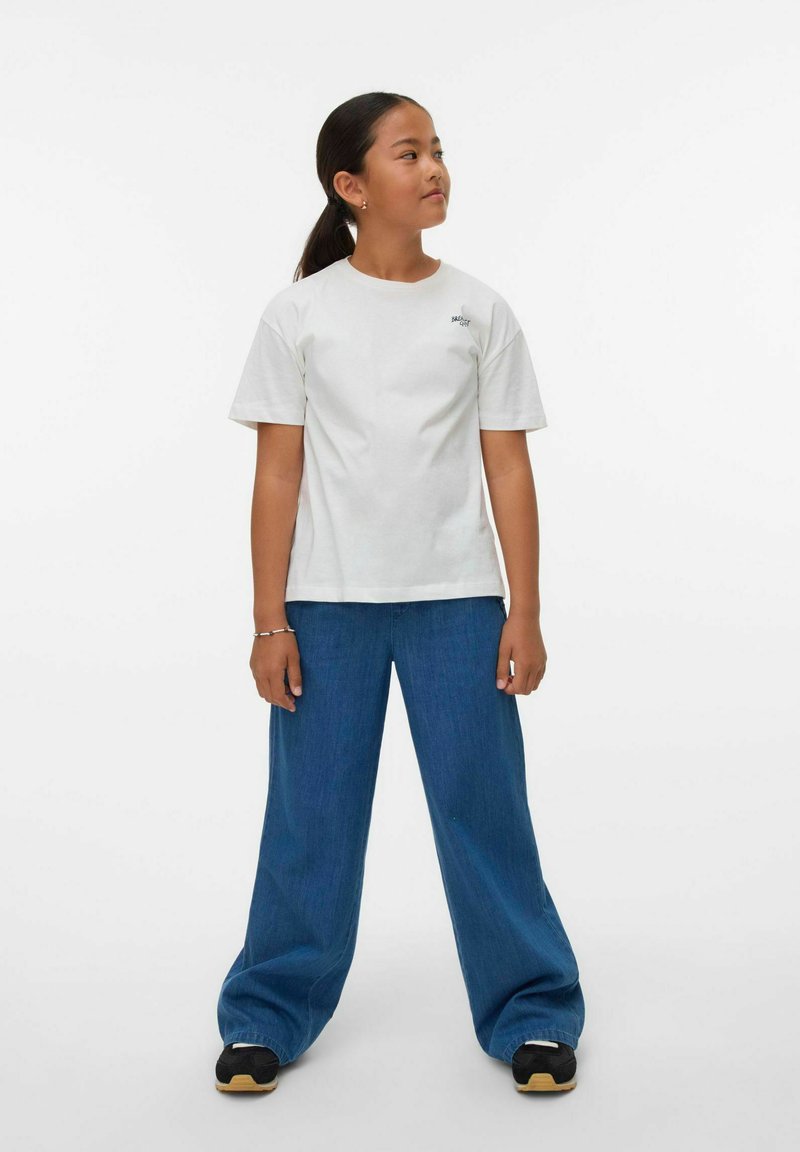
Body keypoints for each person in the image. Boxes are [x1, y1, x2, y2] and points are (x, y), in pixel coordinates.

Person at [214, 91, 585, 1095]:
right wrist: (268, 621)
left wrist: (523, 610)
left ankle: (533, 1011)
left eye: (437, 150)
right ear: (350, 185)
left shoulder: (479, 309)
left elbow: (507, 467)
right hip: (324, 607)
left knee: (482, 809)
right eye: (408, 153)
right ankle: (267, 1013)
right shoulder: (299, 314)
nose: (433, 169)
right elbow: (277, 473)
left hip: (458, 602)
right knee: (311, 818)